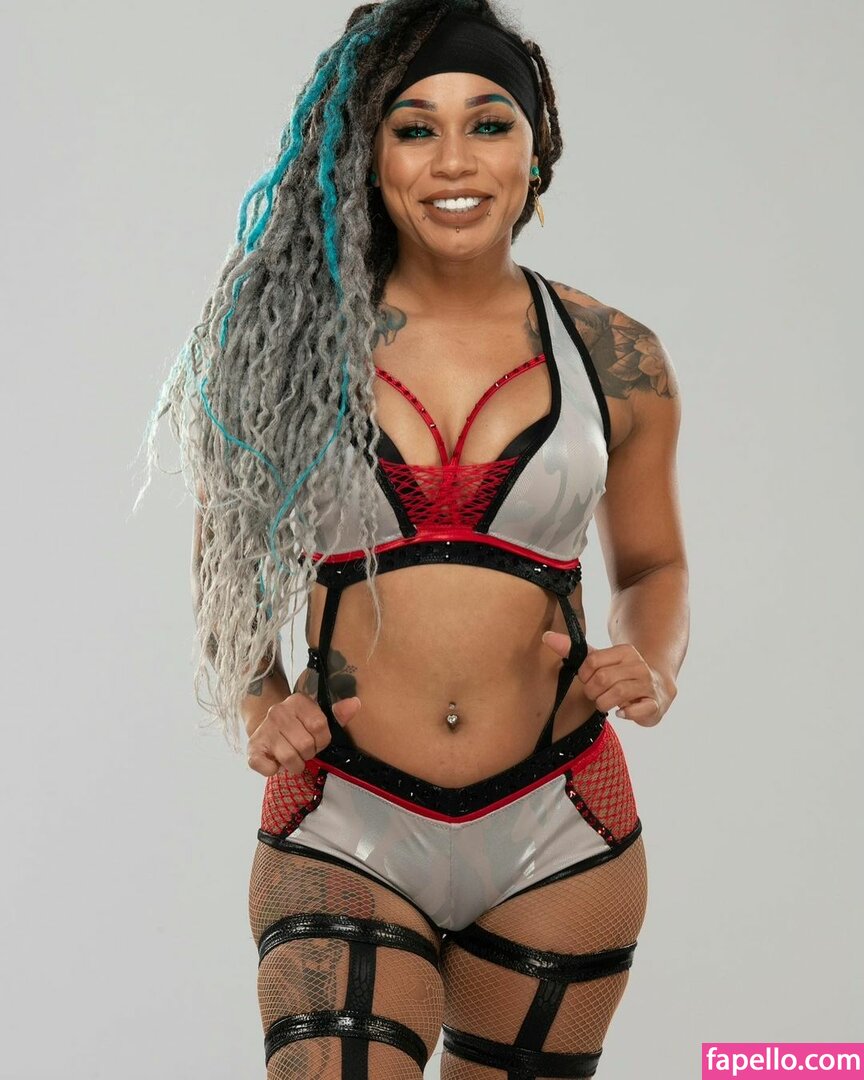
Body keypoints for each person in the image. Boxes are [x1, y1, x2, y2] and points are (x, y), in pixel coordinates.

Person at [139, 1, 689, 1075]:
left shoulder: (617, 356)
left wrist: (655, 662)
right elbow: (225, 566)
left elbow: (656, 563)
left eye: (488, 123)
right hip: (346, 815)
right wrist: (259, 702)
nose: (454, 161)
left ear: (536, 150)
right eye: (413, 127)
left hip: (561, 824)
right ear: (369, 154)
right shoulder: (283, 342)